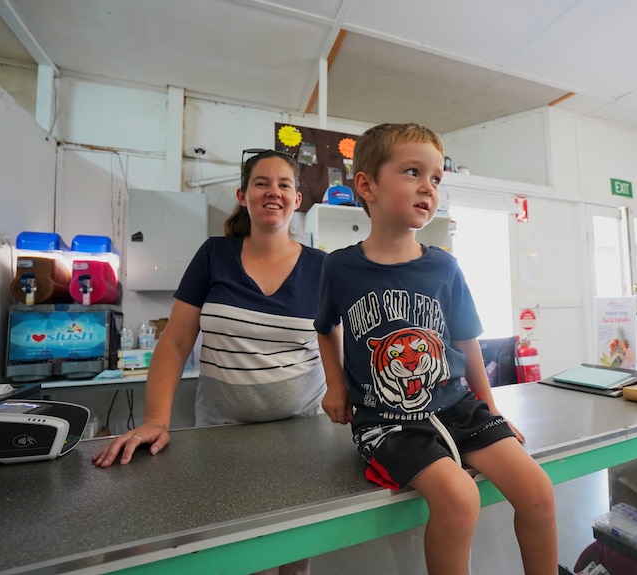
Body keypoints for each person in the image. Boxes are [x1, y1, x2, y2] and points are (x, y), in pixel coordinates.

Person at [313, 123, 558, 575]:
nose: (428, 187)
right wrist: (335, 386)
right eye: (412, 172)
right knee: (460, 498)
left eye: (437, 178)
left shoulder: (445, 266)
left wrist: (491, 407)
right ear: (366, 185)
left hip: (458, 407)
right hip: (387, 422)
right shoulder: (339, 267)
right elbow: (325, 327)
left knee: (539, 492)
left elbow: (468, 341)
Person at [93, 148, 325, 575]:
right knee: (239, 551)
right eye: (261, 183)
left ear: (298, 200)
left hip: (300, 435)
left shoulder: (323, 267)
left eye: (284, 184)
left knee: (294, 549)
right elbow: (176, 342)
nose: (273, 192)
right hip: (223, 437)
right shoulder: (214, 255)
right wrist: (156, 421)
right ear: (243, 195)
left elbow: (340, 346)